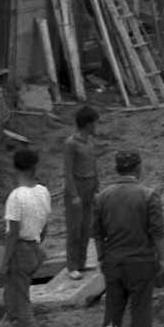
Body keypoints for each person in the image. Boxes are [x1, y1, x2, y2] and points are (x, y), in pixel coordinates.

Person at [92, 149, 164, 327]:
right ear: (138, 168)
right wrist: (161, 258)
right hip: (142, 263)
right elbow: (157, 232)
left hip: (114, 263)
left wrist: (102, 257)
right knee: (141, 310)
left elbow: (96, 232)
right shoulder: (148, 195)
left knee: (113, 310)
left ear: (117, 168)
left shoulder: (102, 197)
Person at [0, 149, 50, 327]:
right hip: (35, 247)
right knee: (16, 295)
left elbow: (13, 233)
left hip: (20, 250)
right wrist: (37, 245)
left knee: (18, 299)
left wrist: (4, 263)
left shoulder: (16, 196)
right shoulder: (43, 191)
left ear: (15, 168)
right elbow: (45, 224)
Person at [64, 105, 100, 280]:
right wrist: (73, 195)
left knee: (87, 227)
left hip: (90, 185)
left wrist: (97, 188)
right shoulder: (71, 143)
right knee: (74, 229)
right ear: (86, 124)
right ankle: (72, 265)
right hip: (77, 187)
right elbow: (67, 171)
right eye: (93, 123)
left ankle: (82, 261)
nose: (96, 127)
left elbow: (94, 166)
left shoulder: (90, 142)